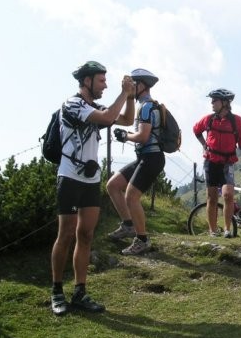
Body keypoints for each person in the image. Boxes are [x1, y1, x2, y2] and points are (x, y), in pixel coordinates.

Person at [50, 61, 135, 316]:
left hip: (90, 180)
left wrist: (129, 96)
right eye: (101, 80)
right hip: (69, 177)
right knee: (65, 234)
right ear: (86, 81)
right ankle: (56, 291)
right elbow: (109, 117)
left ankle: (80, 291)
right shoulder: (73, 104)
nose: (105, 85)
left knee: (86, 235)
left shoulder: (93, 107)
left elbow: (127, 119)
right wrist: (123, 93)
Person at [106, 68, 166, 255]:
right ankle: (128, 226)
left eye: (133, 84)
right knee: (113, 185)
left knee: (131, 196)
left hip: (152, 157)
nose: (130, 87)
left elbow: (143, 136)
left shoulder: (147, 107)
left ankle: (142, 240)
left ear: (141, 85)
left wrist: (126, 136)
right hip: (144, 157)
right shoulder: (144, 105)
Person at [193, 88, 241, 238]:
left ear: (225, 103)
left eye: (215, 100)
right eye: (212, 100)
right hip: (210, 162)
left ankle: (227, 230)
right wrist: (204, 145)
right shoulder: (209, 119)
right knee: (212, 197)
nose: (212, 103)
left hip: (227, 163)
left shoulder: (237, 121)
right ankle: (213, 231)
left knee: (228, 195)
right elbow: (196, 130)